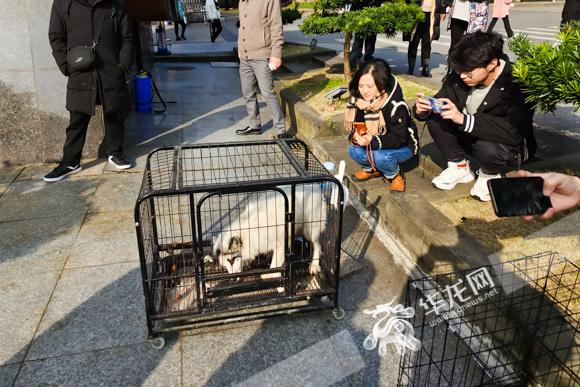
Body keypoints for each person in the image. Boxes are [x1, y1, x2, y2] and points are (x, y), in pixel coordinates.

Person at [414, 31, 534, 201]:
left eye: (468, 72)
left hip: (505, 146)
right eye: (459, 70)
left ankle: (489, 175)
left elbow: (513, 131)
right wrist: (423, 109)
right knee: (435, 118)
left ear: (492, 64)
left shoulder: (517, 81)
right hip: (471, 137)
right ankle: (459, 167)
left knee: (487, 148)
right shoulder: (460, 74)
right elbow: (442, 98)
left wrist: (464, 120)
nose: (462, 76)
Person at [45, 0, 133, 183]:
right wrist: (65, 65)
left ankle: (115, 153)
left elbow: (127, 37)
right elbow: (56, 36)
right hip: (81, 72)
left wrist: (122, 66)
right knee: (77, 118)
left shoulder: (115, 3)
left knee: (114, 113)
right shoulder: (63, 3)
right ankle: (70, 161)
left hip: (110, 70)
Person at [345, 60, 419, 192]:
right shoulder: (361, 102)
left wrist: (372, 141)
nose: (364, 91)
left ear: (382, 85)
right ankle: (371, 169)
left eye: (370, 86)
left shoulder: (397, 106)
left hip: (404, 146)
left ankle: (396, 175)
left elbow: (399, 139)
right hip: (376, 142)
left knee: (380, 156)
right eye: (361, 86)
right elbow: (358, 126)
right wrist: (356, 136)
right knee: (353, 149)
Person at [235, 0, 288, 138]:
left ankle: (281, 130)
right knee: (247, 93)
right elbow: (243, 26)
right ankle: (255, 125)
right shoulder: (242, 1)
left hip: (262, 56)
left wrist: (276, 54)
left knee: (268, 94)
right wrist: (240, 49)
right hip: (245, 57)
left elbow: (276, 26)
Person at [405, 0, 446, 77]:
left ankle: (425, 68)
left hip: (431, 14)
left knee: (427, 43)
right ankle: (411, 67)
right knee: (414, 41)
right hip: (417, 12)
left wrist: (443, 10)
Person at [349, 0, 381, 67]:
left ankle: (366, 56)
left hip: (373, 14)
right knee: (359, 40)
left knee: (370, 39)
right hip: (361, 14)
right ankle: (355, 58)